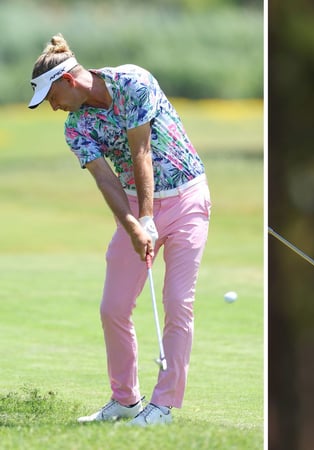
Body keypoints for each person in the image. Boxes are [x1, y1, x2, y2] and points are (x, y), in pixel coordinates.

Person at [28, 34, 211, 427]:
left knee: (178, 303)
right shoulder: (76, 128)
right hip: (132, 204)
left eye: (51, 96)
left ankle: (162, 407)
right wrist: (133, 224)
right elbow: (106, 181)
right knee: (113, 307)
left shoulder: (134, 82)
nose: (52, 106)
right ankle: (125, 400)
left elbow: (140, 150)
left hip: (186, 199)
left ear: (68, 81)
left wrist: (147, 219)